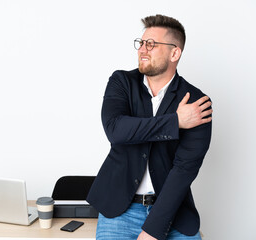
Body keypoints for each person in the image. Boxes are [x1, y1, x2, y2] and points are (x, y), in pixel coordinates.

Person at [86, 14, 212, 240]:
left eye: (152, 44)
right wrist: (175, 121)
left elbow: (184, 170)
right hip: (119, 210)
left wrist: (153, 230)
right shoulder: (121, 82)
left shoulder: (197, 103)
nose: (143, 49)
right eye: (141, 43)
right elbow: (116, 130)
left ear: (175, 53)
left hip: (171, 210)